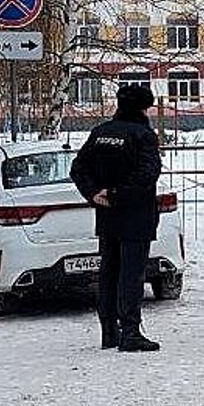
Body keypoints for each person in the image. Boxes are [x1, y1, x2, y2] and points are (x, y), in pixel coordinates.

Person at [70, 83, 163, 353]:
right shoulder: (143, 135)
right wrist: (116, 194)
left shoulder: (100, 133)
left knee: (109, 273)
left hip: (107, 216)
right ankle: (130, 333)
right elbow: (148, 174)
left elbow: (78, 168)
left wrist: (94, 193)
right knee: (131, 276)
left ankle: (109, 332)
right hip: (135, 215)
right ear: (144, 107)